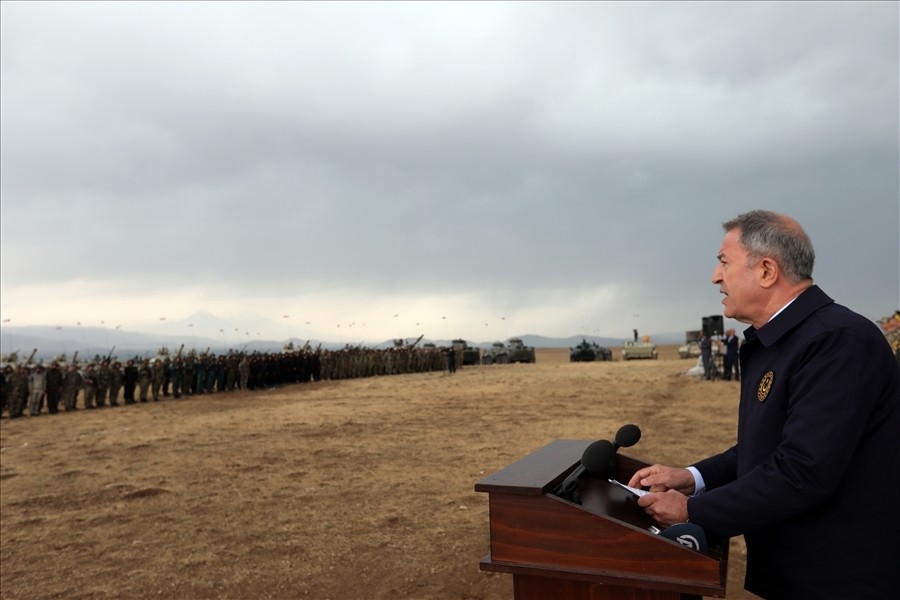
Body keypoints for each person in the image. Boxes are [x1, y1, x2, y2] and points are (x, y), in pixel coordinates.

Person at [628, 210, 899, 599]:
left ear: (767, 271)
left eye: (723, 263)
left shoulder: (837, 341)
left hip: (840, 577)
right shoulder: (781, 340)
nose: (715, 277)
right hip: (799, 570)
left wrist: (693, 512)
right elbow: (764, 447)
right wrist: (692, 478)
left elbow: (803, 471)